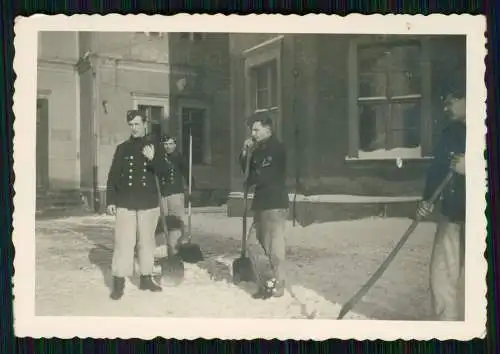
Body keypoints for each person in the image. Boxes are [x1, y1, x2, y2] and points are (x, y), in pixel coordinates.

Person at [106, 110, 171, 300]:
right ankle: (118, 281)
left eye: (137, 124)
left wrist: (154, 159)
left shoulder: (155, 147)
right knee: (123, 242)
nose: (134, 128)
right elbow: (113, 176)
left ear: (145, 124)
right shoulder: (122, 148)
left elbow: (165, 173)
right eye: (131, 124)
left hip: (148, 203)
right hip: (125, 202)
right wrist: (110, 200)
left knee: (147, 242)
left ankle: (146, 277)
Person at [416, 87, 466, 321]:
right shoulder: (450, 133)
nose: (445, 108)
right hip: (452, 213)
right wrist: (426, 201)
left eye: (450, 102)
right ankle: (447, 330)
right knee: (441, 275)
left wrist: (474, 166)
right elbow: (436, 170)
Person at [239, 113, 289, 299]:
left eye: (256, 129)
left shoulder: (276, 149)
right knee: (254, 244)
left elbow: (262, 175)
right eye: (252, 130)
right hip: (262, 203)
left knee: (272, 247)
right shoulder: (258, 149)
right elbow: (247, 171)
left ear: (268, 129)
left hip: (274, 204)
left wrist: (252, 178)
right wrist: (245, 153)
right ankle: (269, 280)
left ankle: (276, 283)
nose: (253, 133)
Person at [154, 135, 195, 257]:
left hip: (176, 194)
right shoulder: (159, 159)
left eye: (171, 144)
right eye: (166, 144)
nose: (168, 146)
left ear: (175, 145)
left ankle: (176, 247)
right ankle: (164, 249)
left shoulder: (179, 158)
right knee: (163, 222)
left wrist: (191, 188)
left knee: (176, 221)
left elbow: (188, 174)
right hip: (162, 194)